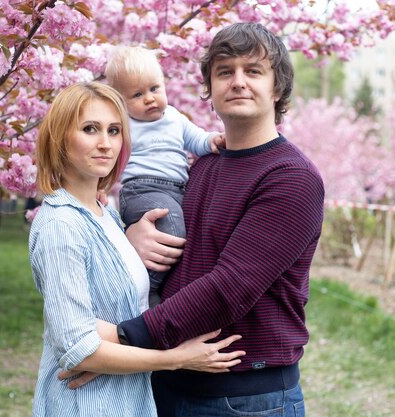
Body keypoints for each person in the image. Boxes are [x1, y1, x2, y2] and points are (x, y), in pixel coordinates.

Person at [114, 23, 325, 416]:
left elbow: (230, 288)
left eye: (253, 70)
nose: (238, 81)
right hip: (168, 380)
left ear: (277, 88)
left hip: (245, 398)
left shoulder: (290, 178)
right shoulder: (203, 165)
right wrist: (131, 235)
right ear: (210, 89)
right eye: (225, 71)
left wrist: (127, 337)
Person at [28, 82, 244, 417]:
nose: (105, 143)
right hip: (85, 404)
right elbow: (77, 348)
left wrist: (131, 235)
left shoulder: (106, 214)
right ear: (59, 138)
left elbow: (106, 308)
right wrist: (176, 359)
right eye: (90, 129)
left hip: (126, 398)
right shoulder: (60, 225)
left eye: (114, 130)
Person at [104, 46, 225, 307]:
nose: (149, 98)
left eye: (154, 89)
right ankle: (144, 288)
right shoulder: (123, 125)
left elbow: (197, 139)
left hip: (176, 190)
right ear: (121, 102)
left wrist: (213, 139)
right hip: (142, 190)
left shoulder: (174, 118)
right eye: (137, 94)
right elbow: (110, 159)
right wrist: (100, 187)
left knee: (184, 232)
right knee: (172, 230)